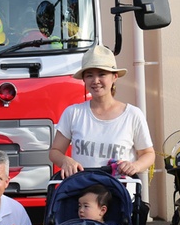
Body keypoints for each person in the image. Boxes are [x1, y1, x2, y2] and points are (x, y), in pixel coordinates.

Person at [48, 44, 154, 180]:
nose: (95, 81)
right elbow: (55, 152)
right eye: (90, 75)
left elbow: (148, 153)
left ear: (114, 77)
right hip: (83, 194)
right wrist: (65, 161)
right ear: (84, 79)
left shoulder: (133, 115)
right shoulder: (73, 113)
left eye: (102, 74)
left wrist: (135, 166)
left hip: (120, 196)